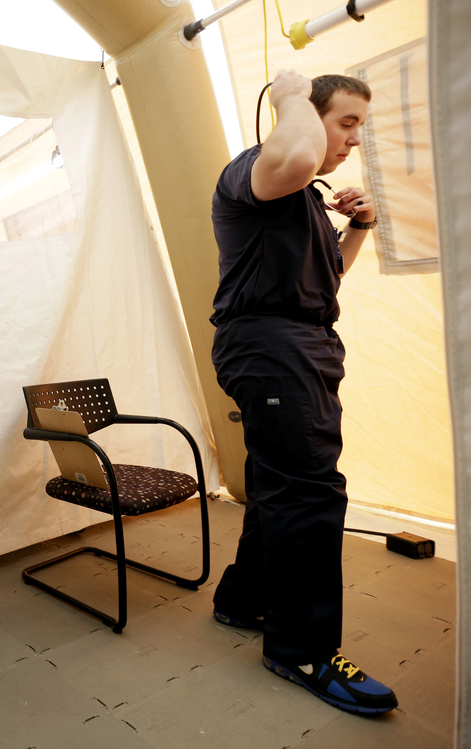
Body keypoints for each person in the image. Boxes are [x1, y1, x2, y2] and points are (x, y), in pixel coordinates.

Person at [209, 71, 397, 715]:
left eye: (358, 128)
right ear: (309, 116)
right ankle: (301, 648)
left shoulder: (307, 201)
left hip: (301, 344)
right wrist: (290, 94)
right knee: (310, 493)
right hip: (271, 347)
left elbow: (324, 282)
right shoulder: (255, 169)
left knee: (276, 481)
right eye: (345, 123)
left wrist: (359, 228)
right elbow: (290, 154)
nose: (352, 140)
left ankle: (244, 600)